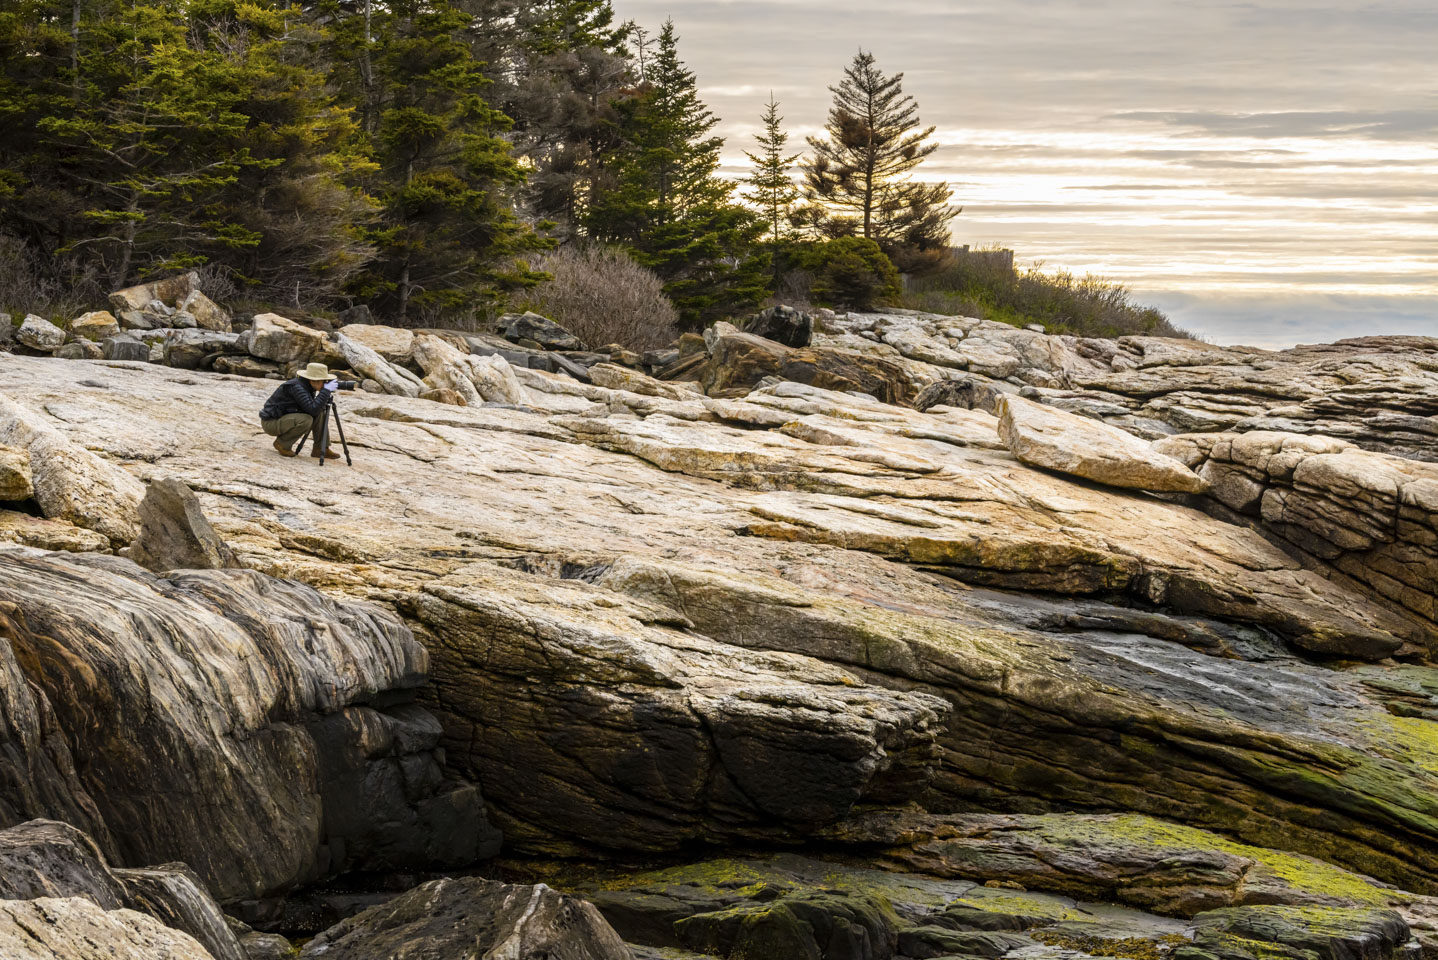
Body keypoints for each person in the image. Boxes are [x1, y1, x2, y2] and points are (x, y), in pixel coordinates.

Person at [260, 362, 339, 458]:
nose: (325, 384)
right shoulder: (297, 387)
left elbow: (315, 409)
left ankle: (320, 449)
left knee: (320, 412)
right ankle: (282, 444)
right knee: (306, 420)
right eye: (324, 381)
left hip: (284, 418)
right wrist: (325, 391)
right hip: (271, 423)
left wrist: (324, 393)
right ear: (315, 381)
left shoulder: (307, 386)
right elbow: (312, 409)